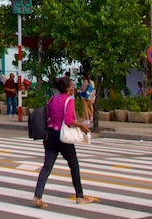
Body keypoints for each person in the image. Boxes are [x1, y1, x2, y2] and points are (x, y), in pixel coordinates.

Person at [32, 76, 98, 208]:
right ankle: (79, 196)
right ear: (68, 90)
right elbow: (68, 121)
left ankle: (37, 196)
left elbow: (48, 115)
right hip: (62, 137)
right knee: (74, 165)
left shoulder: (52, 99)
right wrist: (81, 126)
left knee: (47, 167)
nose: (74, 89)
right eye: (72, 87)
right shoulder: (69, 100)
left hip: (50, 135)